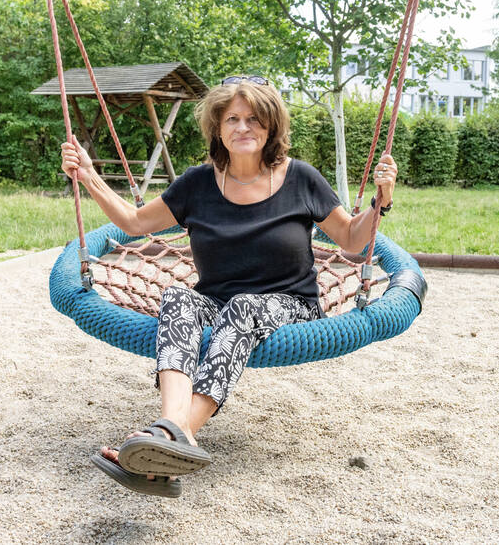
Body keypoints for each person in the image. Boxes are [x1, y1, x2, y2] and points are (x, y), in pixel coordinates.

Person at [60, 76, 398, 498]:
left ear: (271, 126)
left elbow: (351, 239)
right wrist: (89, 175)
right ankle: (169, 430)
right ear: (217, 127)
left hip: (290, 305)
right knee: (179, 299)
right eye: (233, 119)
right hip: (217, 301)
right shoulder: (198, 184)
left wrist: (379, 200)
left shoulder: (301, 179)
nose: (244, 128)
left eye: (255, 119)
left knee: (242, 307)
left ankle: (173, 435)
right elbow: (133, 223)